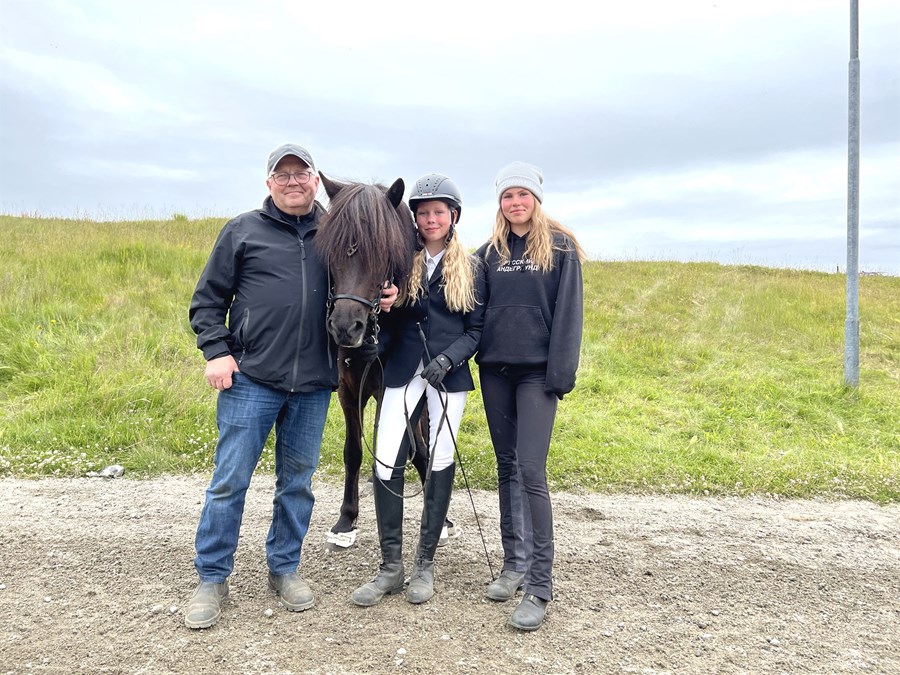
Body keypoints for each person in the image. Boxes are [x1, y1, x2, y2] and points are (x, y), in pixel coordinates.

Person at [184, 143, 397, 629]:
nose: (293, 181)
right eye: (283, 175)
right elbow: (207, 300)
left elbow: (364, 268)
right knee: (229, 482)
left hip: (315, 382)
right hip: (252, 379)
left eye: (302, 173)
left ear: (315, 181)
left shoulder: (334, 230)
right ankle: (212, 577)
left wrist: (388, 291)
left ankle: (284, 569)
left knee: (296, 485)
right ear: (269, 183)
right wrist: (217, 351)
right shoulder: (242, 231)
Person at [351, 173, 485, 607]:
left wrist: (448, 360)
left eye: (438, 212)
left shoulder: (473, 268)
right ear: (415, 217)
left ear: (454, 217)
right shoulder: (401, 263)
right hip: (403, 370)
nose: (430, 219)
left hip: (448, 377)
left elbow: (476, 330)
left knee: (440, 457)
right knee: (386, 456)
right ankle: (391, 566)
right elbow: (389, 320)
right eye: (423, 212)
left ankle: (424, 564)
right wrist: (377, 340)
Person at [475, 161, 585, 631]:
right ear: (499, 203)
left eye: (522, 195)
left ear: (536, 199)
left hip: (538, 375)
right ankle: (513, 564)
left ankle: (540, 585)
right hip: (495, 371)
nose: (515, 203)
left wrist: (560, 374)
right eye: (507, 196)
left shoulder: (561, 248)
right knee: (504, 467)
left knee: (530, 471)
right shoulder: (487, 253)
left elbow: (569, 315)